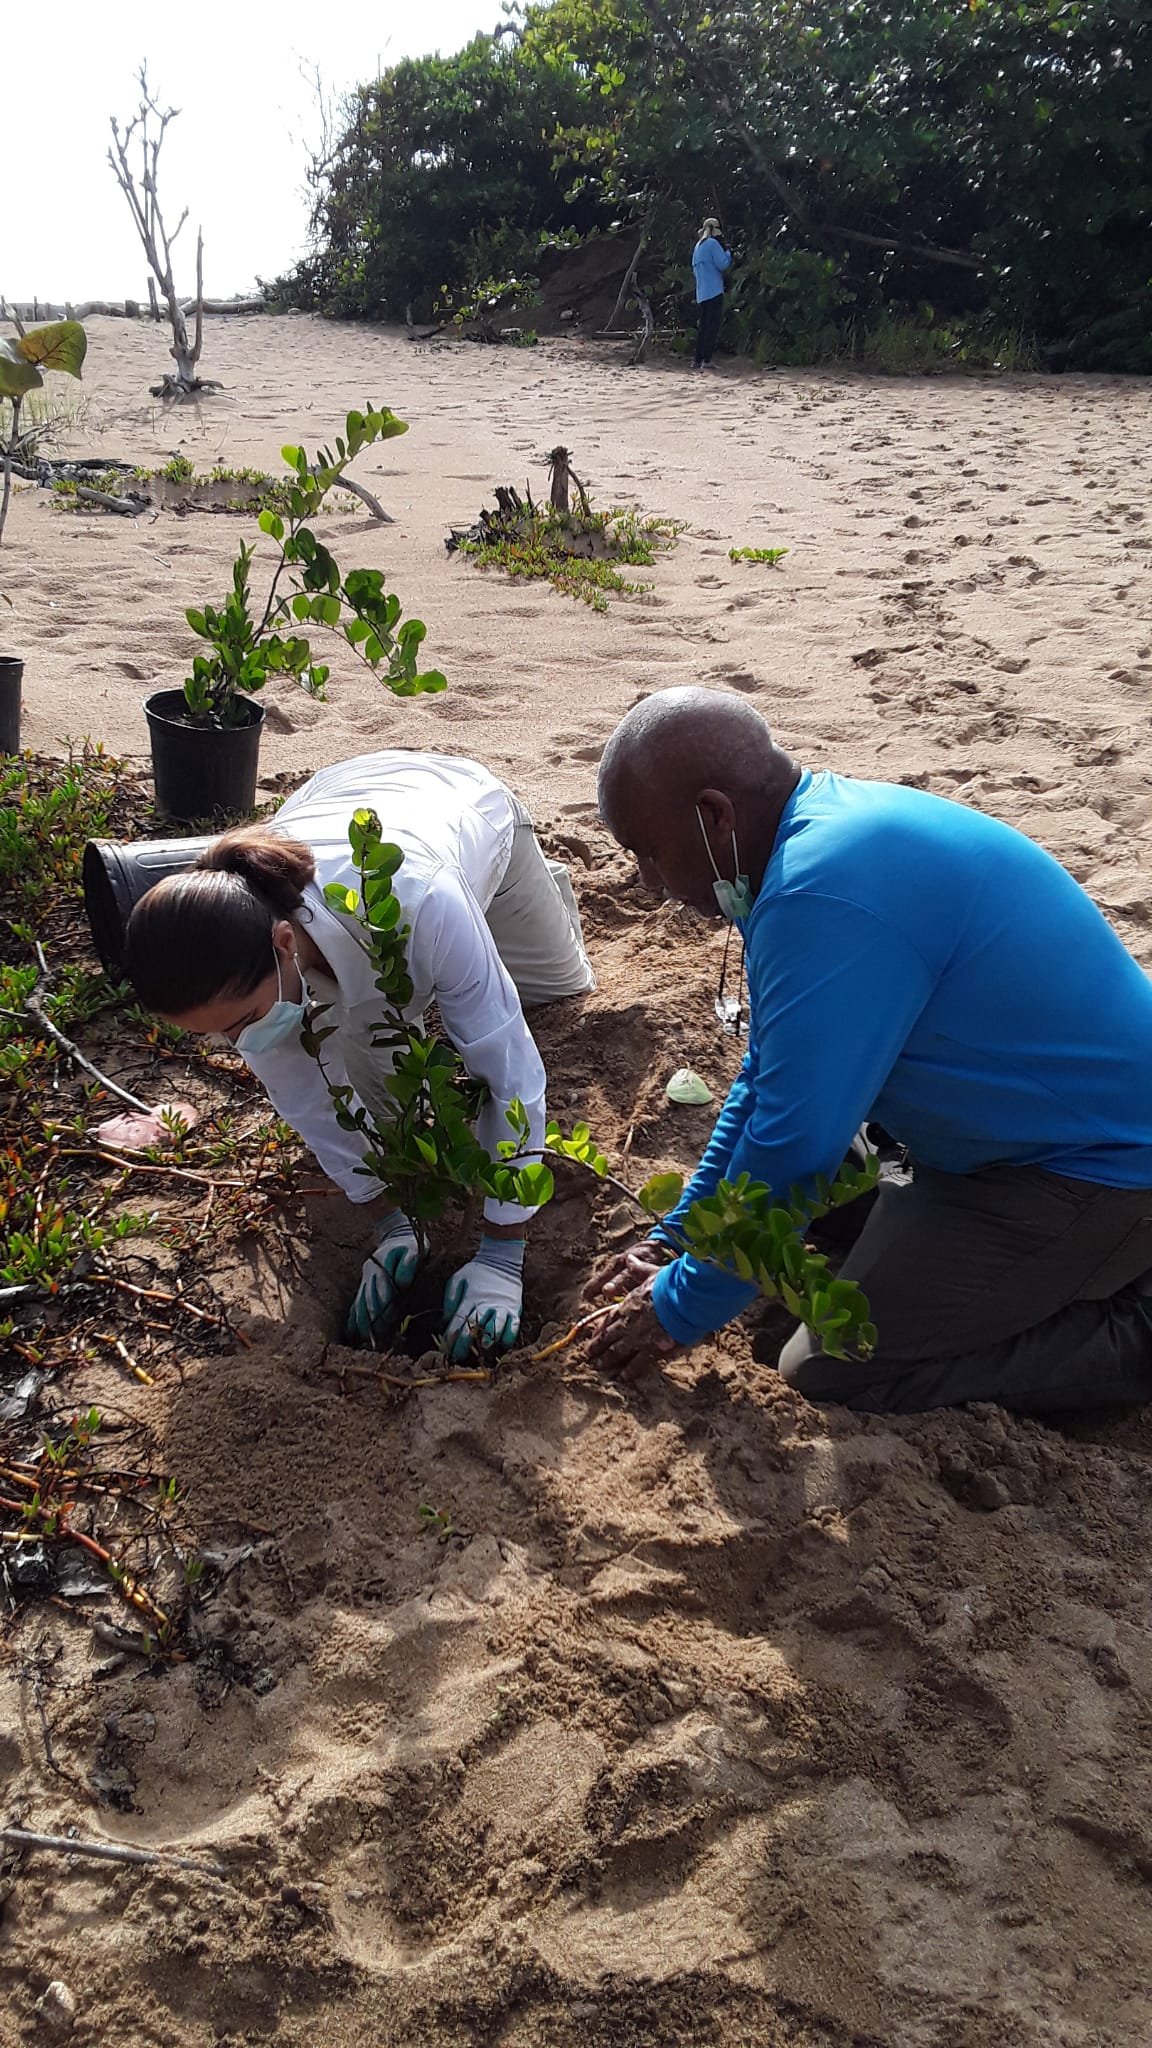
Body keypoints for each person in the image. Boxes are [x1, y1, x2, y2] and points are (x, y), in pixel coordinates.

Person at [589, 687, 1152, 1416]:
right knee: (817, 1205)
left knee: (832, 1369)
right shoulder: (814, 835)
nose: (649, 884)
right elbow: (767, 1079)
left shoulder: (821, 897)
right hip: (991, 1131)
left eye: (650, 854)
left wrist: (676, 1309)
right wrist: (682, 1237)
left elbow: (793, 1148)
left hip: (1095, 1164)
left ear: (714, 815)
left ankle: (1136, 1330)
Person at [122, 750, 594, 1357]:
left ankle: (538, 900)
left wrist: (504, 1251)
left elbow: (510, 1068)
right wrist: (389, 1220)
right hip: (335, 797)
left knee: (557, 987)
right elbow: (308, 1098)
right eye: (218, 1035)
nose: (240, 1045)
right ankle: (377, 990)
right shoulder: (241, 951)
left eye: (243, 1022)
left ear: (284, 942)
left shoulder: (424, 901)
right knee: (371, 1058)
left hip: (461, 809)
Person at [692, 216, 732, 371]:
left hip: (701, 292)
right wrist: (728, 251)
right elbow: (723, 264)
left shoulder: (698, 246)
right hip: (714, 290)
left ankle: (697, 359)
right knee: (712, 326)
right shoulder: (713, 244)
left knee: (703, 326)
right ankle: (707, 360)